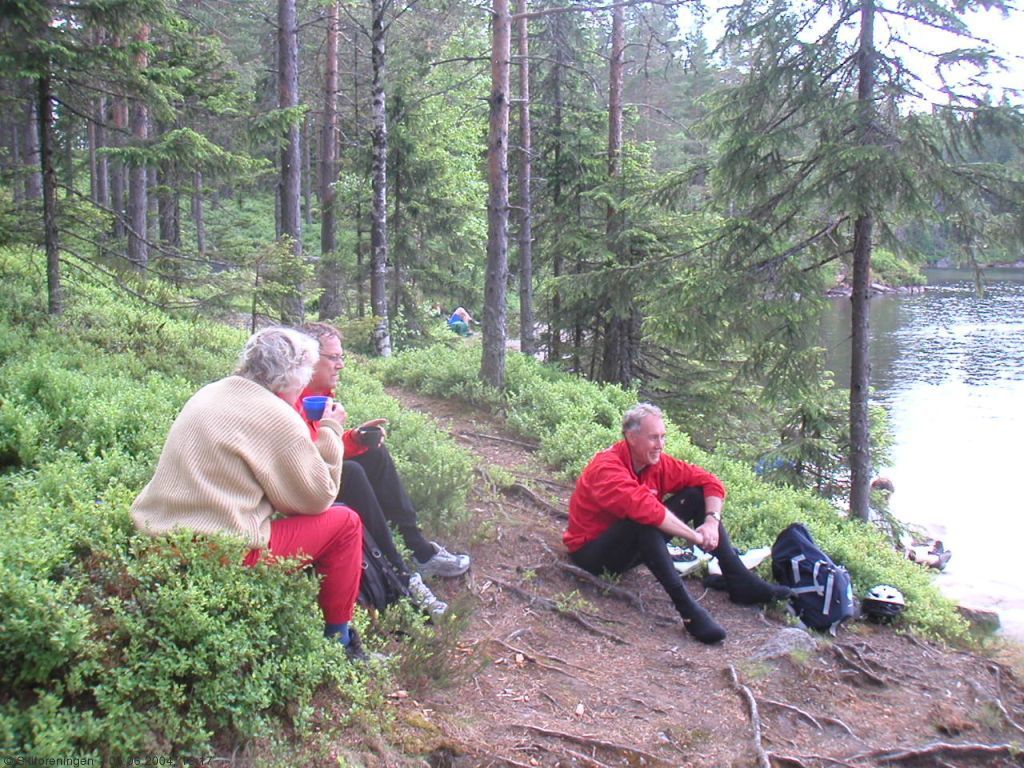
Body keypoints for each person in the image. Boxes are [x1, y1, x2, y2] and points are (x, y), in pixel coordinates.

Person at [131, 327, 367, 659]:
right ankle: (338, 643)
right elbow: (318, 496)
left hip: (157, 543)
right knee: (346, 524)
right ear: (290, 377)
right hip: (224, 554)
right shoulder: (276, 414)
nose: (303, 386)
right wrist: (330, 429)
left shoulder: (209, 392)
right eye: (303, 377)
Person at [564, 403, 791, 644]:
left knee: (694, 494)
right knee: (643, 519)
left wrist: (711, 522)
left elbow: (710, 482)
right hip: (591, 554)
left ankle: (741, 581)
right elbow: (646, 510)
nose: (660, 445)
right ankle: (688, 611)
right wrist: (695, 537)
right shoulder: (607, 468)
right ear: (631, 437)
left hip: (628, 547)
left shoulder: (656, 463)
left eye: (662, 437)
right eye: (653, 438)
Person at [298, 323, 471, 614]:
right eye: (333, 358)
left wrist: (354, 438)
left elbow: (317, 446)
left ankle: (419, 550)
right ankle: (400, 576)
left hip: (312, 475)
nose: (340, 365)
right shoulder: (291, 397)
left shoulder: (315, 396)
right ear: (308, 359)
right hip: (298, 489)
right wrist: (333, 432)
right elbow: (302, 459)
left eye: (342, 357)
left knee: (374, 456)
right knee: (352, 475)